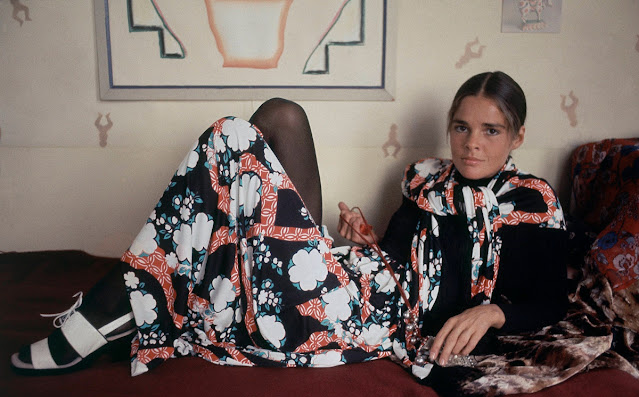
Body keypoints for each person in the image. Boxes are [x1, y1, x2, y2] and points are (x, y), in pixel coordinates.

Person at [11, 72, 568, 381]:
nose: (472, 144)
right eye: (462, 127)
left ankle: (111, 307)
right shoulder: (426, 178)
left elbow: (550, 300)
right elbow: (399, 254)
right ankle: (123, 304)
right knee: (274, 118)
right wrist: (365, 238)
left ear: (517, 137)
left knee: (241, 134)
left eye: (491, 131)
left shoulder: (533, 201)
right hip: (353, 278)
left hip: (370, 319)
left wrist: (492, 310)